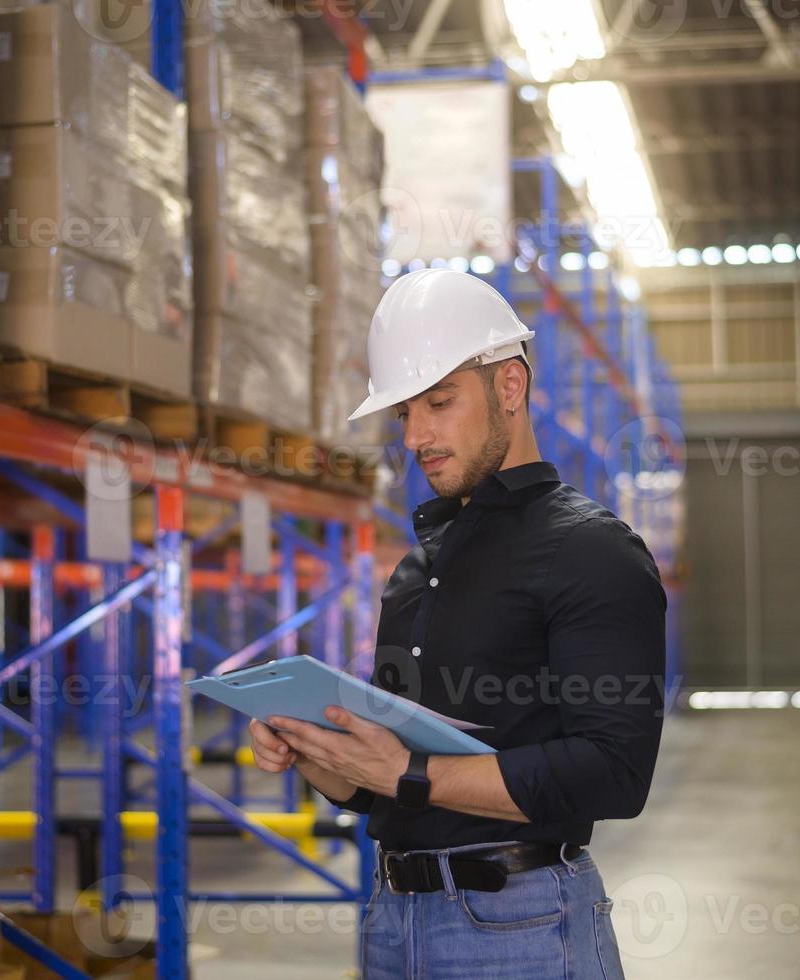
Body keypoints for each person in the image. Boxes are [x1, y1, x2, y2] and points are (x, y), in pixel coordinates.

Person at [247, 268, 667, 978]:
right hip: (392, 918)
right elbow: (388, 780)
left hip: (520, 926)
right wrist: (321, 754)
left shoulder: (591, 550)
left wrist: (409, 773)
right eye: (404, 413)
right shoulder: (419, 569)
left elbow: (613, 772)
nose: (415, 436)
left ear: (509, 387)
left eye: (438, 403)